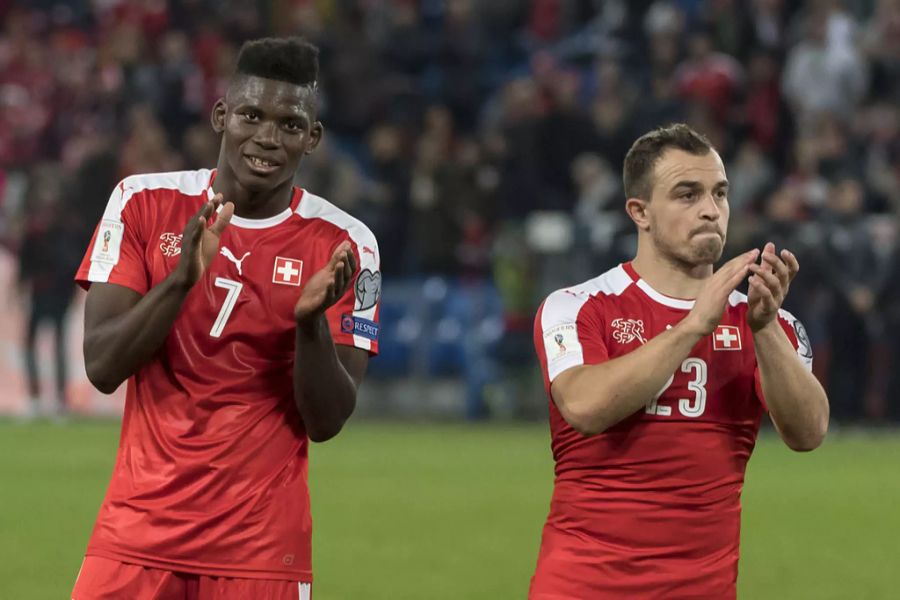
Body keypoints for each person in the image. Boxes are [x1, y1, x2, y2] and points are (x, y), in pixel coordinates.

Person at [71, 37, 380, 600]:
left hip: (261, 554)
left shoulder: (347, 244)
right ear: (221, 116)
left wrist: (309, 324)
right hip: (134, 539)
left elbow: (328, 420)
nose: (267, 137)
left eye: (290, 125)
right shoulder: (141, 202)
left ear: (312, 138)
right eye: (251, 115)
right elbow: (101, 364)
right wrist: (180, 283)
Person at [530, 123, 829, 599]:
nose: (711, 210)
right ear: (640, 212)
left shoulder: (767, 320)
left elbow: (808, 432)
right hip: (584, 586)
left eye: (720, 194)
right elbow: (585, 407)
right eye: (687, 195)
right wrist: (692, 325)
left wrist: (765, 327)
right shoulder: (579, 305)